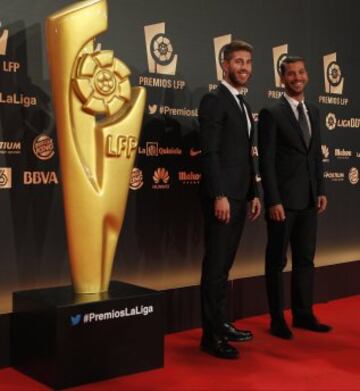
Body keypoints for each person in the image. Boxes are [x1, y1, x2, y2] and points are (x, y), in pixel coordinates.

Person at [258, 56, 332, 339]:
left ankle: (303, 314)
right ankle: (277, 319)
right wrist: (273, 200)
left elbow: (315, 156)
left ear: (307, 75)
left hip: (309, 200)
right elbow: (266, 161)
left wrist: (321, 190)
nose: (297, 78)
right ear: (282, 79)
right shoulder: (271, 113)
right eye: (291, 74)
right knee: (276, 261)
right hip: (283, 203)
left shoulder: (313, 110)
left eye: (301, 72)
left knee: (305, 259)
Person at [198, 40, 261, 359]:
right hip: (223, 198)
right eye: (238, 61)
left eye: (248, 62)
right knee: (215, 267)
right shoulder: (214, 100)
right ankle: (210, 337)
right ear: (224, 65)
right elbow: (210, 153)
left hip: (240, 196)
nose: (245, 68)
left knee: (224, 268)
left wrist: (253, 193)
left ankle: (222, 324)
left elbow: (245, 155)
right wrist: (219, 194)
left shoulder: (243, 104)